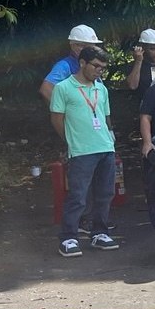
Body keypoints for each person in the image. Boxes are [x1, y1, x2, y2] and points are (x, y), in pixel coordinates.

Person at [50, 46, 119, 257]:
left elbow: (106, 117)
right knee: (78, 196)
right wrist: (71, 141)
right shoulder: (63, 88)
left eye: (103, 68)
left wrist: (110, 138)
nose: (99, 71)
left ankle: (99, 232)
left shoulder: (102, 88)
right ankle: (69, 237)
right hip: (81, 151)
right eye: (96, 66)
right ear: (82, 63)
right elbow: (57, 119)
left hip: (105, 147)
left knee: (105, 194)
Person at [40, 25, 102, 103]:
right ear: (73, 46)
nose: (91, 50)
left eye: (92, 46)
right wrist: (66, 110)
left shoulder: (91, 65)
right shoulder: (64, 66)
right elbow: (46, 89)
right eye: (86, 46)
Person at [126, 28, 155, 98]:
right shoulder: (134, 65)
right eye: (152, 49)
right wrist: (138, 61)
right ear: (142, 48)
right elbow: (132, 86)